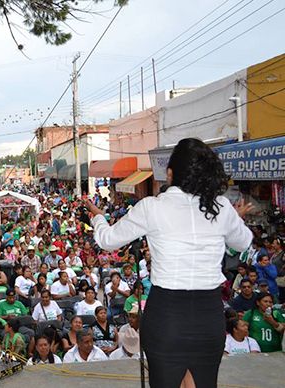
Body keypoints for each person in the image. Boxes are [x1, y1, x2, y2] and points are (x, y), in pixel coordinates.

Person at [86, 137, 254, 388]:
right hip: (208, 315)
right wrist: (234, 219)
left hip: (167, 315)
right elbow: (243, 242)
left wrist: (99, 218)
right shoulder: (221, 207)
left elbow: (107, 240)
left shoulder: (152, 207)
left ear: (171, 172)